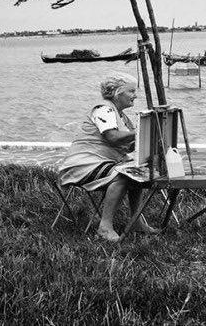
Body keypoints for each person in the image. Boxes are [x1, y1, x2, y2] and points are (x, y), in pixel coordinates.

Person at [58, 73, 158, 242]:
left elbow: (126, 145)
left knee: (138, 171)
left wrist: (150, 138)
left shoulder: (122, 117)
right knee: (123, 175)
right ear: (117, 92)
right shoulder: (103, 109)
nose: (135, 95)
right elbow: (112, 137)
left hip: (102, 161)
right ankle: (105, 227)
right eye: (131, 91)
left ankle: (136, 221)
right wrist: (141, 132)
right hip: (83, 163)